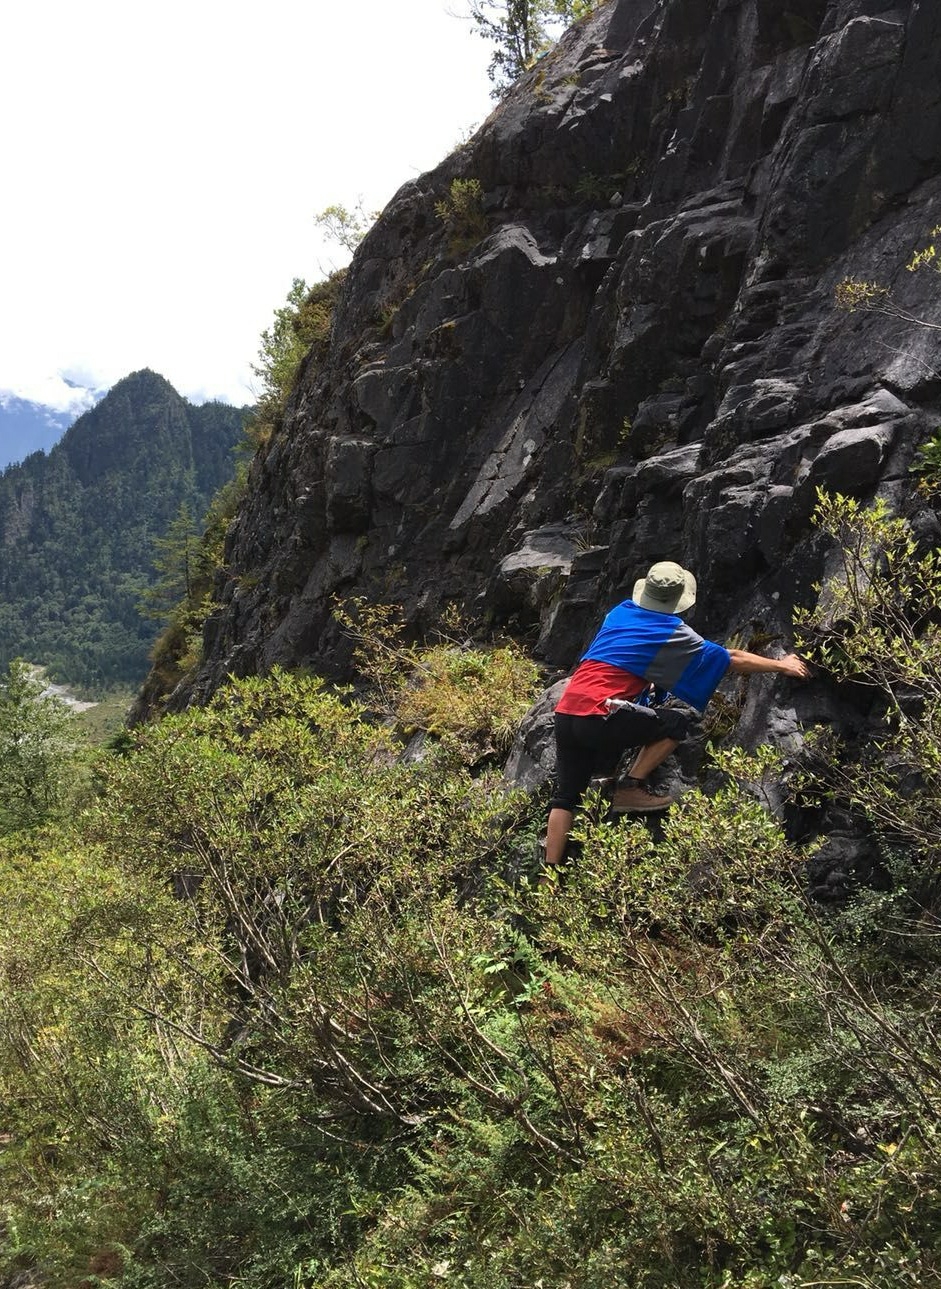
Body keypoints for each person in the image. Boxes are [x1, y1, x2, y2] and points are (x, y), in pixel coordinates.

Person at [545, 560, 811, 866]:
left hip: (566, 712)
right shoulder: (672, 631)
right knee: (676, 723)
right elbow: (730, 658)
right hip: (600, 715)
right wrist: (782, 665)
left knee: (565, 797)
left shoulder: (620, 612)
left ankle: (549, 874)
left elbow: (627, 656)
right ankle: (630, 789)